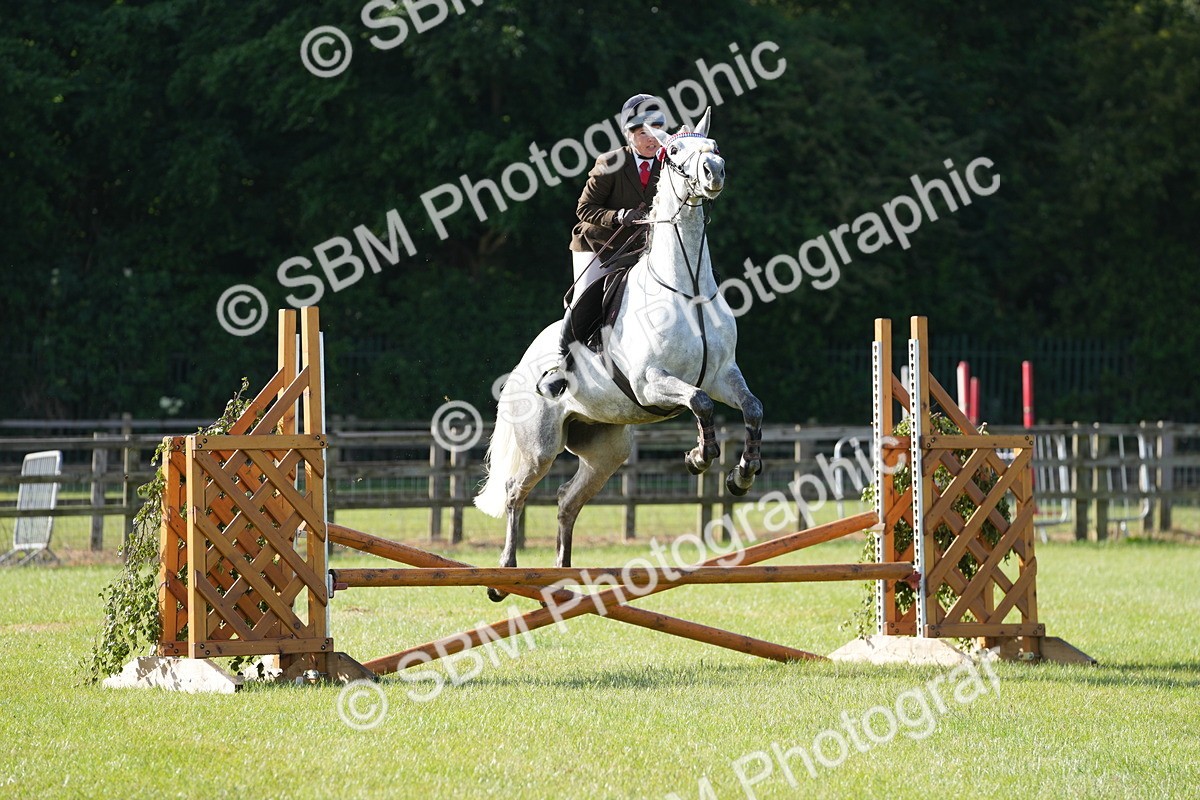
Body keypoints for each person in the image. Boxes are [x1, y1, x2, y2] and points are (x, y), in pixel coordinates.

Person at [537, 93, 666, 398]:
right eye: (642, 132)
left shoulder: (668, 163)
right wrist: (620, 215)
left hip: (639, 247)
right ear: (629, 134)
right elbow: (584, 208)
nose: (650, 139)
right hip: (597, 242)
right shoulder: (611, 162)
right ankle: (561, 365)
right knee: (587, 296)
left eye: (656, 130)